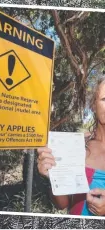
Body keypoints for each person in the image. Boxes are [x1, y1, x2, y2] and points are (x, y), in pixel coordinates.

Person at [37, 76, 105, 216]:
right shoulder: (78, 145)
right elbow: (62, 204)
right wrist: (53, 175)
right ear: (93, 104)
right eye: (104, 99)